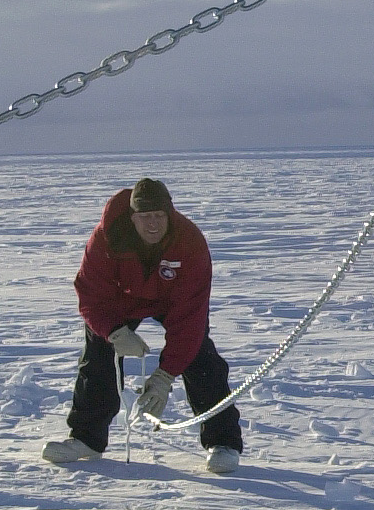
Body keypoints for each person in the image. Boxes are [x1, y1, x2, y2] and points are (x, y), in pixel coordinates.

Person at [42, 177, 243, 474]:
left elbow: (189, 318)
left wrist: (164, 376)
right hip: (120, 303)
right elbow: (90, 295)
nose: (153, 224)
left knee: (200, 355)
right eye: (145, 217)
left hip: (172, 302)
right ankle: (85, 439)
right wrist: (114, 331)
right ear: (132, 217)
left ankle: (223, 441)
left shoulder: (189, 242)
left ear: (170, 215)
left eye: (159, 216)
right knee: (98, 355)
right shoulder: (105, 238)